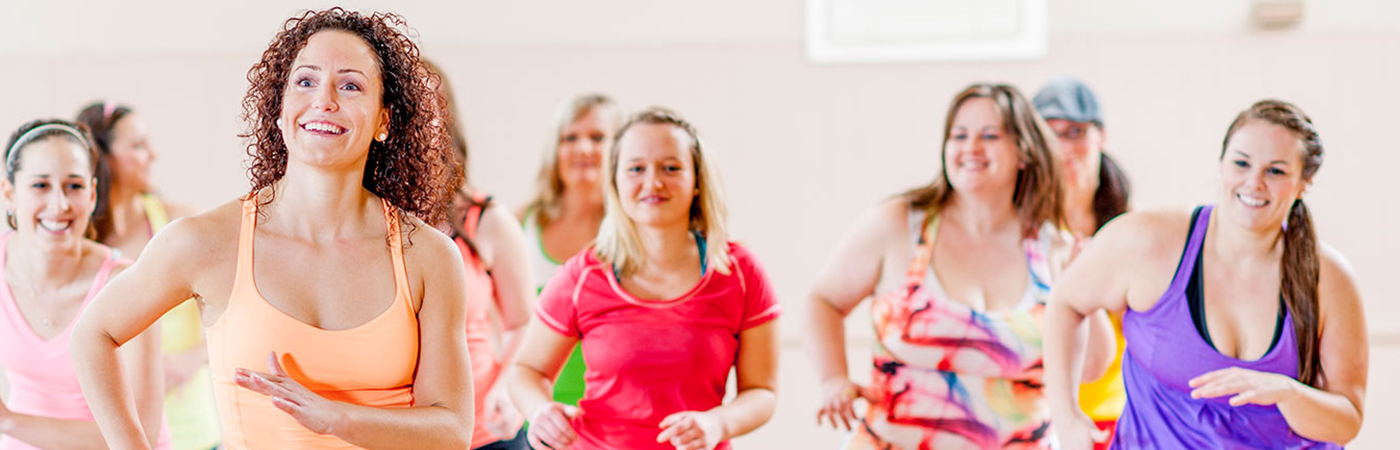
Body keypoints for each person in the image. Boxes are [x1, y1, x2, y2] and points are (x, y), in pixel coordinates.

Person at [71, 8, 474, 449]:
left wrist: (337, 417)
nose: (325, 100)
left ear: (383, 120)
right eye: (305, 81)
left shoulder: (428, 256)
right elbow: (95, 334)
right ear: (279, 110)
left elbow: (452, 430)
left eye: (351, 85)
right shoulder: (206, 242)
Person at [1044, 99, 1367, 449]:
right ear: (1222, 164)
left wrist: (1286, 393)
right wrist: (1066, 416)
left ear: (1303, 183)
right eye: (1241, 163)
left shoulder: (1328, 278)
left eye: (1275, 171)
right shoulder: (1149, 239)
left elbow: (1346, 419)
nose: (1254, 183)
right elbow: (1065, 300)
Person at [806, 83, 1113, 450]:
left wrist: (1083, 285)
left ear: (1023, 152)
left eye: (989, 135)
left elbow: (1093, 366)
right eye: (959, 135)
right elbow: (822, 300)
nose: (971, 148)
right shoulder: (899, 225)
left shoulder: (1055, 247)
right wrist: (833, 379)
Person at [508, 107, 780, 450]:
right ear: (616, 182)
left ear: (697, 181)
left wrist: (717, 423)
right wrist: (540, 410)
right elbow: (526, 370)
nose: (653, 183)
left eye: (671, 168)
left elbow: (762, 392)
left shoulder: (739, 272)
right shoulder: (583, 275)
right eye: (636, 169)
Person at [0, 119, 171, 449]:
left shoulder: (126, 285)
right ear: (9, 193)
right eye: (40, 186)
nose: (59, 204)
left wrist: (9, 421)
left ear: (93, 194)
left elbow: (141, 435)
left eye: (74, 186)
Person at [76, 101, 217, 450]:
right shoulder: (77, 244)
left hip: (193, 433)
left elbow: (238, 310)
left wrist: (196, 356)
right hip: (109, 436)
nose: (152, 155)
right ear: (102, 159)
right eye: (138, 145)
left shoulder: (180, 224)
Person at [422, 59, 533, 450]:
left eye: (431, 108)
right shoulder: (361, 222)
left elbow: (525, 323)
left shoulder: (485, 217)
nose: (420, 121)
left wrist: (508, 388)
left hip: (485, 435)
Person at [1031, 78, 1131, 448]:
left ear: (1100, 136)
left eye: (1075, 132)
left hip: (1111, 419)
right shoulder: (1019, 235)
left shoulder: (1129, 233)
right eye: (1048, 134)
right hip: (1036, 416)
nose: (1063, 147)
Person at [516, 93, 621, 407]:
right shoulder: (522, 224)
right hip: (536, 417)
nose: (583, 148)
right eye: (570, 137)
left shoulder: (635, 230)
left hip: (613, 417)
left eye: (597, 137)